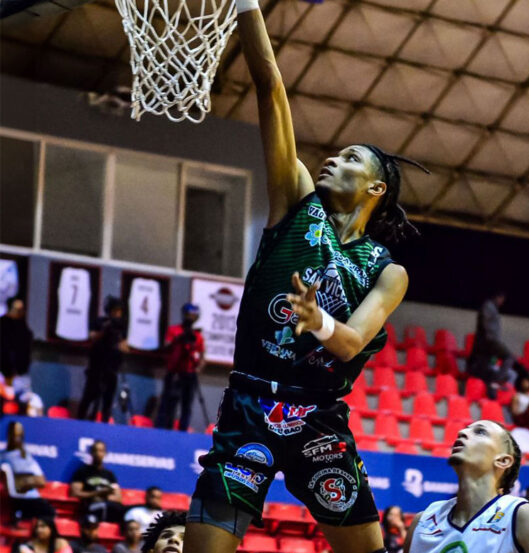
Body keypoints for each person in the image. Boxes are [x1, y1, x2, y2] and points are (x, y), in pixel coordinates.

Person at [183, 3, 427, 553]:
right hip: (248, 405)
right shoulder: (295, 202)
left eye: (349, 160)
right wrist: (246, 5)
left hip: (318, 417)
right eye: (334, 154)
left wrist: (319, 320)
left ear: (375, 189)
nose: (332, 161)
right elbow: (271, 89)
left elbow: (352, 343)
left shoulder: (388, 271)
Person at [403, 420, 529, 553]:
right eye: (466, 429)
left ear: (503, 461)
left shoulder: (524, 517)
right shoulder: (423, 521)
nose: (462, 432)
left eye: (480, 432)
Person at [77, 297, 129, 422]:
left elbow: (125, 347)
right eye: (115, 311)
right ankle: (79, 421)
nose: (117, 314)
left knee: (107, 402)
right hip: (96, 369)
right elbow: (92, 337)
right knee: (88, 398)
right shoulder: (100, 322)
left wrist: (120, 343)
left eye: (119, 311)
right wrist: (104, 331)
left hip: (111, 370)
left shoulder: (121, 327)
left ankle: (104, 425)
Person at [156, 304, 205, 432]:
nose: (190, 318)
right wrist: (179, 339)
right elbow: (166, 347)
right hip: (174, 372)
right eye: (188, 315)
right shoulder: (174, 330)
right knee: (168, 403)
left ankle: (182, 431)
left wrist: (198, 367)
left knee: (186, 405)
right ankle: (164, 429)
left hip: (189, 374)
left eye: (193, 316)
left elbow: (201, 355)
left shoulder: (197, 336)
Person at [1, 421, 56, 523]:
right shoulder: (3, 456)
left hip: (32, 497)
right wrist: (25, 481)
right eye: (14, 435)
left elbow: (41, 481)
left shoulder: (26, 456)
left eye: (19, 435)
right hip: (16, 498)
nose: (16, 438)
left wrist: (23, 481)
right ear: (9, 435)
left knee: (49, 512)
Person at [467, 292, 515, 399]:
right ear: (498, 297)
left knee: (507, 375)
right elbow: (487, 327)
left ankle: (493, 388)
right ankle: (494, 384)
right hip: (480, 360)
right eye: (502, 298)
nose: (502, 302)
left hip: (485, 363)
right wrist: (494, 342)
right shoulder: (488, 306)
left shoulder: (492, 308)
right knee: (509, 357)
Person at [70, 440, 123, 523]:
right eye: (95, 450)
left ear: (105, 453)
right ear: (91, 453)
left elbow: (118, 497)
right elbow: (75, 493)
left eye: (101, 451)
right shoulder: (82, 472)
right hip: (90, 507)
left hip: (109, 507)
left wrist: (103, 496)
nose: (98, 453)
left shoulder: (110, 475)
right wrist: (97, 493)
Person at [0, 296, 33, 382]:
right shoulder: (3, 324)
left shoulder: (23, 326)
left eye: (21, 309)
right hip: (3, 371)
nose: (18, 312)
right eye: (16, 308)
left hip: (19, 373)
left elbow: (25, 350)